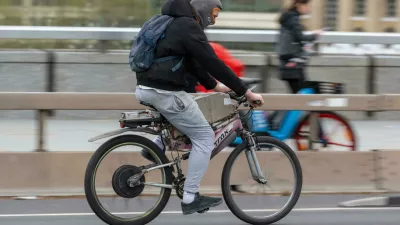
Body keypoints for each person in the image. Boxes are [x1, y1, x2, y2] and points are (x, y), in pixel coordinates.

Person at [134, 0, 264, 215]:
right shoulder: (188, 26)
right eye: (214, 14)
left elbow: (192, 63)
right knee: (204, 136)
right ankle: (190, 197)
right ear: (204, 9)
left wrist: (216, 86)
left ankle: (156, 148)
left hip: (148, 87)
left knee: (193, 110)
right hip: (165, 92)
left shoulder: (168, 22)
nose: (213, 20)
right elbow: (213, 62)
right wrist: (246, 92)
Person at [276, 0, 322, 93]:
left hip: (289, 60)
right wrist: (315, 35)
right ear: (299, 5)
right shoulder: (292, 18)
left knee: (298, 93)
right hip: (292, 61)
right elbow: (300, 37)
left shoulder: (290, 17)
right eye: (307, 6)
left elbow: (295, 37)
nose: (309, 9)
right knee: (300, 94)